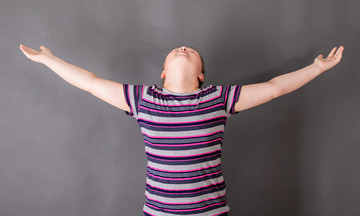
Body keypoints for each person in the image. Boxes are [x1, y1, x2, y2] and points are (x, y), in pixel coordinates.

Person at [19, 44, 344, 215]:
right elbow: (90, 83)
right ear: (163, 71)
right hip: (159, 213)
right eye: (176, 50)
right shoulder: (142, 98)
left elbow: (274, 87)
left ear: (202, 74)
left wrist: (316, 68)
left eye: (191, 51)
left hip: (210, 212)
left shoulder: (218, 97)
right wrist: (49, 60)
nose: (183, 48)